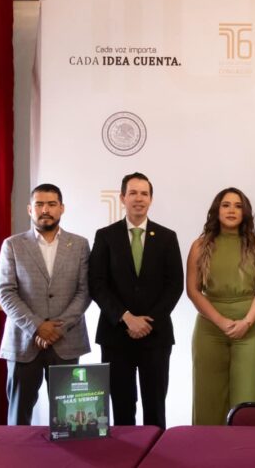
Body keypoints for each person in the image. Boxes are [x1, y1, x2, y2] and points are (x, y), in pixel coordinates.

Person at [89, 172, 183, 430]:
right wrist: (126, 317)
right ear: (122, 198)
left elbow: (175, 285)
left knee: (155, 407)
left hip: (156, 335)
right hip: (115, 335)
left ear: (151, 199)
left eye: (144, 193)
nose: (138, 198)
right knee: (122, 407)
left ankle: (155, 451)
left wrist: (148, 322)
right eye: (133, 193)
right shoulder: (105, 236)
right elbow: (97, 284)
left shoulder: (166, 237)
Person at [0, 183, 91, 425]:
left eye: (51, 204)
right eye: (39, 204)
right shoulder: (12, 245)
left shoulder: (80, 245)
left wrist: (57, 329)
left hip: (66, 342)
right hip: (23, 342)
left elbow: (85, 291)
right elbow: (6, 292)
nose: (45, 210)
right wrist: (37, 327)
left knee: (70, 422)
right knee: (18, 418)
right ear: (30, 209)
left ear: (62, 208)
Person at [187, 188, 255, 425]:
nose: (232, 210)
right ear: (217, 210)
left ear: (245, 212)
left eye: (238, 206)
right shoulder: (200, 246)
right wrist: (221, 321)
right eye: (226, 205)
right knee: (208, 397)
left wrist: (247, 322)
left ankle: (247, 446)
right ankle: (208, 447)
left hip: (249, 330)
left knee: (249, 397)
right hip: (210, 330)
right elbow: (193, 291)